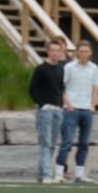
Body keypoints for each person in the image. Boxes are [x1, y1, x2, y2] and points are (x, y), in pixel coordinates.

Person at [56, 40, 98, 184]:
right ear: (77, 52)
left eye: (86, 52)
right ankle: (59, 172)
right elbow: (61, 87)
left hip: (86, 109)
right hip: (72, 109)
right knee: (67, 142)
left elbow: (96, 87)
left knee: (84, 143)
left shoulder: (93, 68)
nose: (83, 54)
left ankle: (80, 173)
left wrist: (92, 105)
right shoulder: (69, 67)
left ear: (90, 53)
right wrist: (68, 104)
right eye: (81, 51)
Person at [29, 37, 66, 184]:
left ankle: (41, 173)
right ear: (48, 51)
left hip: (58, 110)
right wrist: (42, 104)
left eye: (58, 50)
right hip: (46, 110)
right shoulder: (41, 69)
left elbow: (61, 89)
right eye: (53, 50)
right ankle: (46, 173)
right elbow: (32, 89)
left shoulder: (61, 69)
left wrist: (61, 105)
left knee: (52, 144)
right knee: (46, 142)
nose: (55, 53)